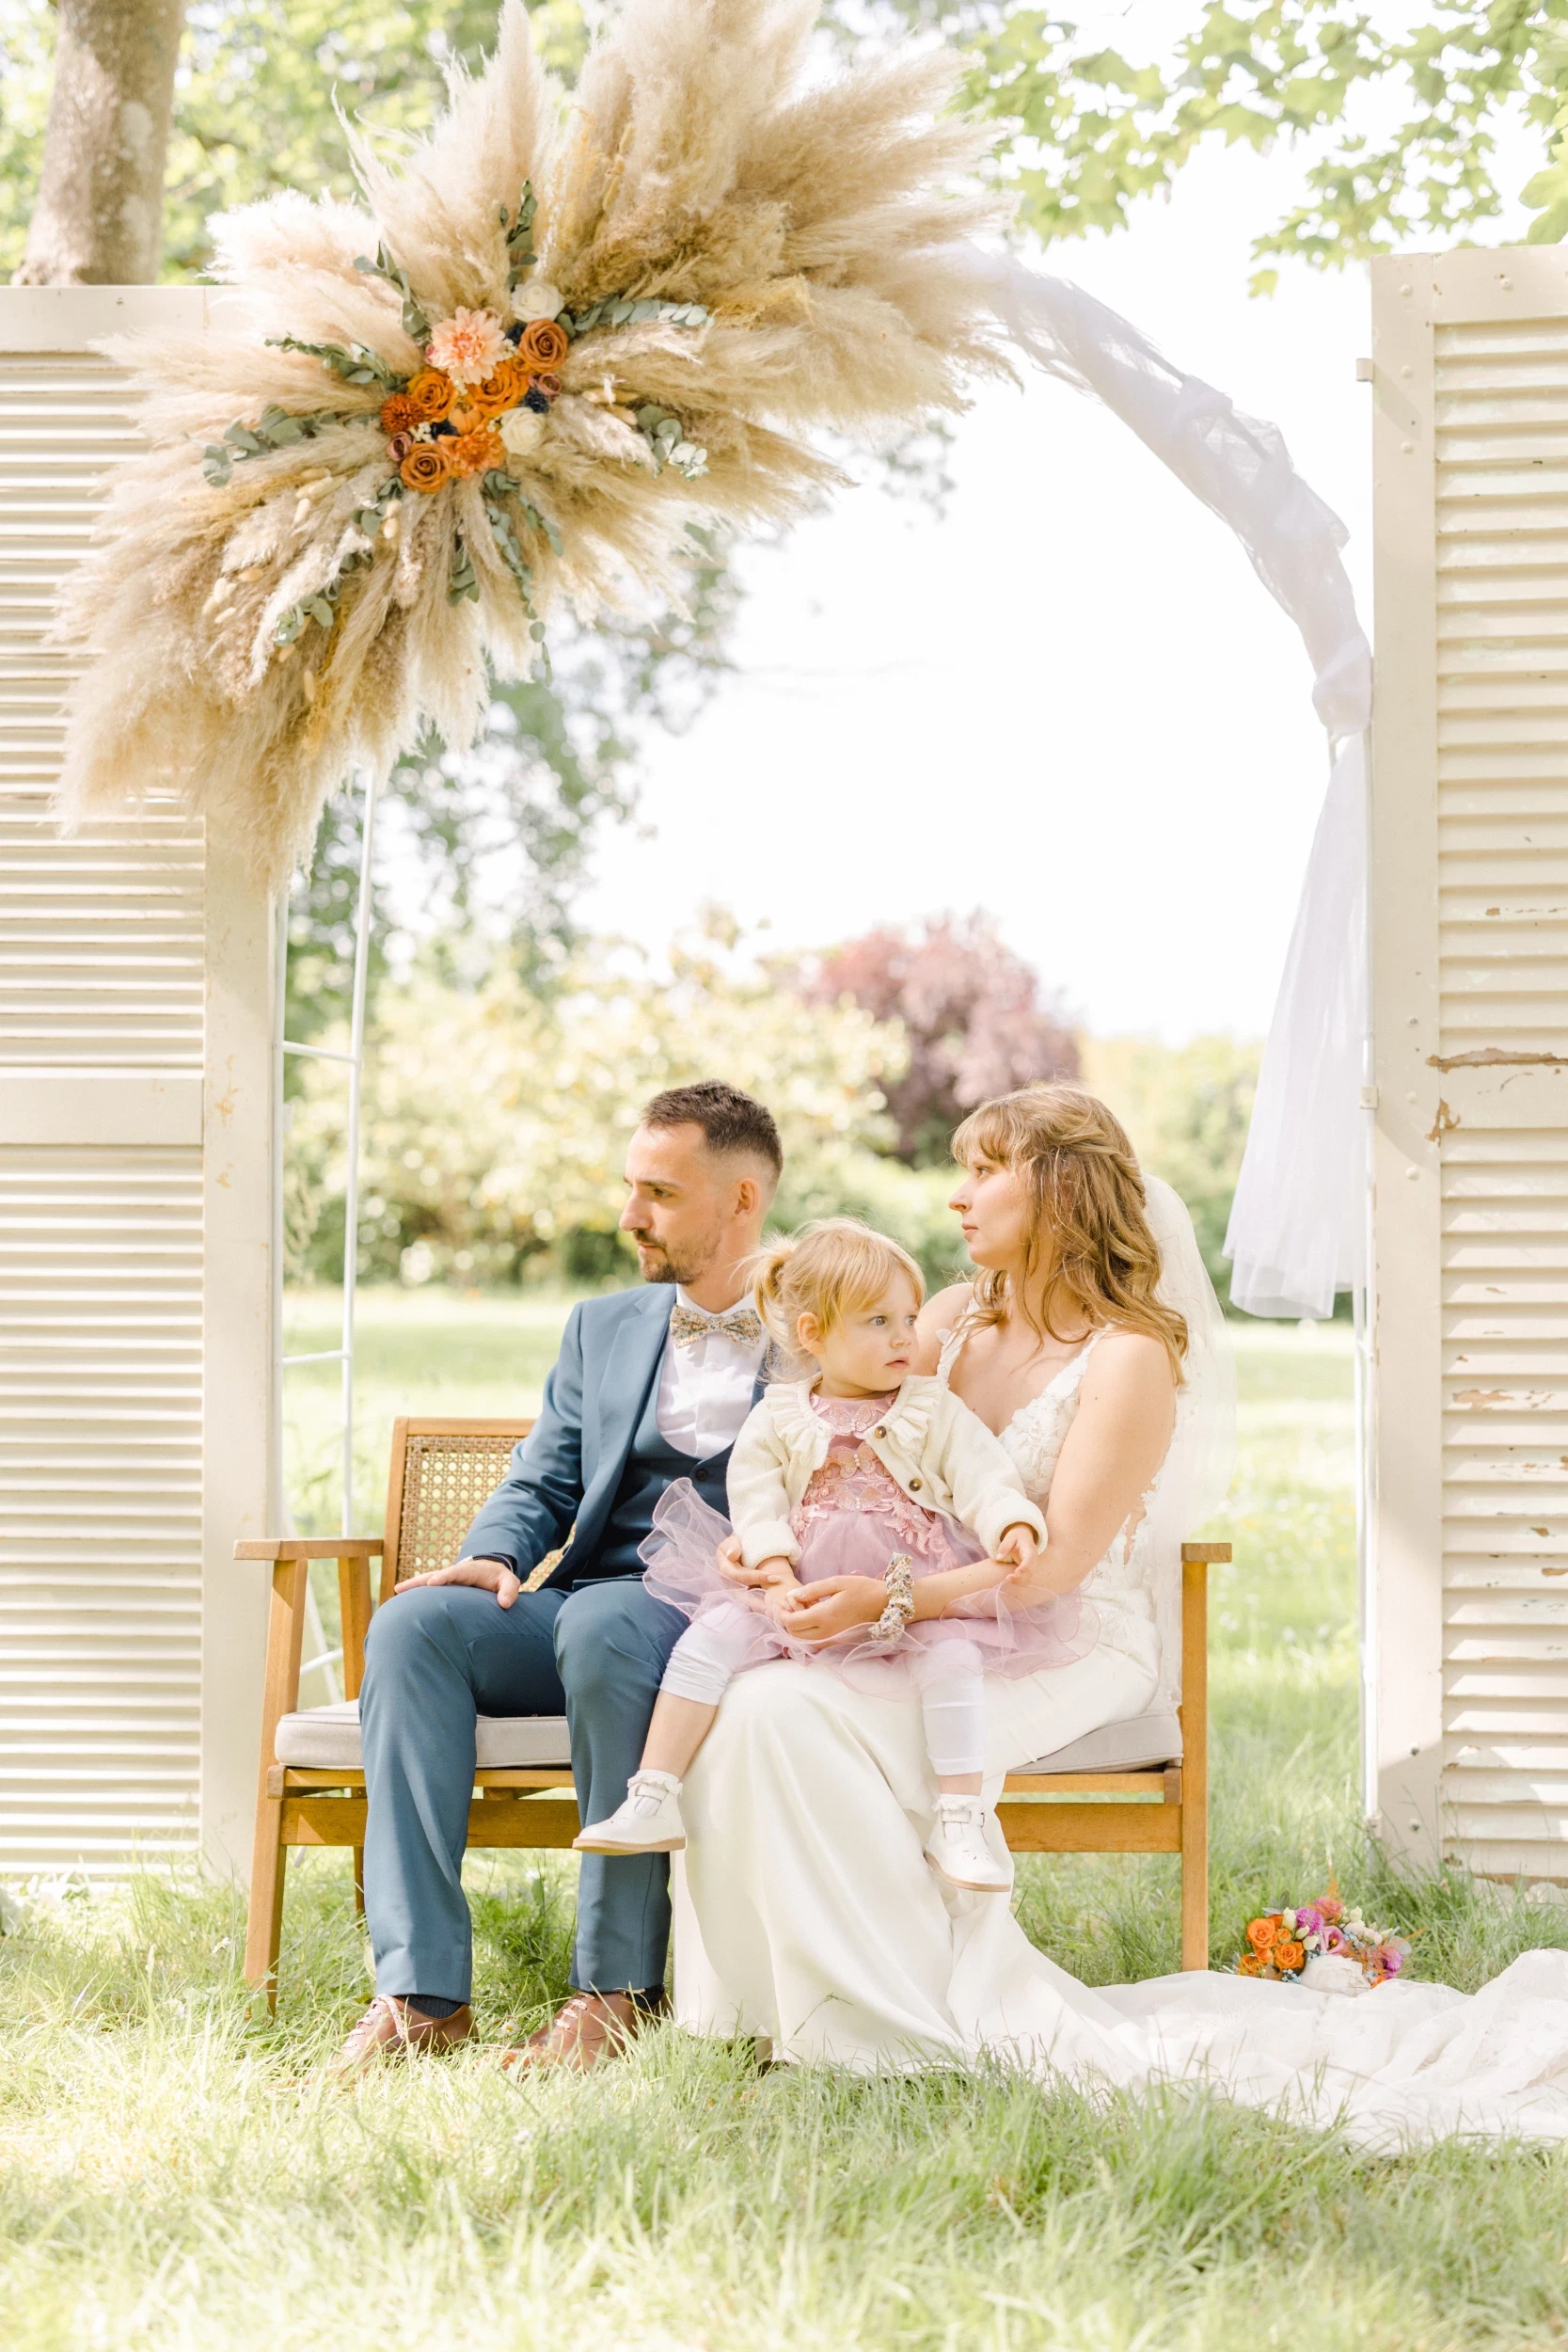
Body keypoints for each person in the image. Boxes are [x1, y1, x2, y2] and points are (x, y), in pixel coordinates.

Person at [668, 1083, 1230, 2068]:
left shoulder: (1128, 1359)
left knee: (813, 1721)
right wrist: (762, 1550)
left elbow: (1051, 1566)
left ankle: (885, 2024)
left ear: (1058, 1188)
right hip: (918, 1616)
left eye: (982, 1171)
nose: (955, 1197)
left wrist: (885, 1601)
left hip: (1065, 1632)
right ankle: (765, 2007)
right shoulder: (946, 1319)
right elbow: (832, 1447)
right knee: (752, 1701)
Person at [328, 1080, 786, 2077]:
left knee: (606, 1623)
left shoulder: (824, 1317)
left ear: (741, 1199)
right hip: (595, 1615)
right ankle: (419, 1991)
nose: (629, 1216)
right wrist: (493, 1551)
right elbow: (544, 1473)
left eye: (659, 1192)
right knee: (417, 1628)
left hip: (731, 1624)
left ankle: (616, 1988)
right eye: (630, 1187)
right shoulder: (604, 1324)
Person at [574, 1218, 1093, 1893]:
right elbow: (754, 1501)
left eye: (908, 1317)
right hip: (806, 1584)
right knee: (706, 1641)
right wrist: (776, 1576)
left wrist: (1010, 1523)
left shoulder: (929, 1408)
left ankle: (960, 1820)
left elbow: (981, 1475)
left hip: (910, 1582)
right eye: (879, 1321)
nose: (905, 1336)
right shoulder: (780, 1415)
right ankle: (652, 1794)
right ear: (814, 1334)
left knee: (953, 1660)